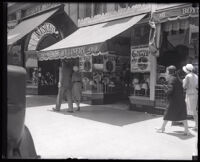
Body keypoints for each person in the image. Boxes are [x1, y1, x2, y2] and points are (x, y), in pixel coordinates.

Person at [156, 65, 190, 135]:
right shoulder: (177, 78)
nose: (166, 72)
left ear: (169, 71)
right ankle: (186, 130)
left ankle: (162, 128)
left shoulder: (171, 79)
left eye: (167, 70)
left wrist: (165, 88)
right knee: (182, 114)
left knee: (167, 113)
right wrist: (166, 87)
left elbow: (170, 91)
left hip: (174, 100)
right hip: (180, 99)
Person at [182, 64, 198, 130]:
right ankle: (195, 124)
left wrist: (183, 81)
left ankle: (195, 125)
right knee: (194, 110)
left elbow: (184, 86)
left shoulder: (187, 76)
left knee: (189, 109)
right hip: (195, 93)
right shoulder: (196, 76)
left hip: (189, 94)